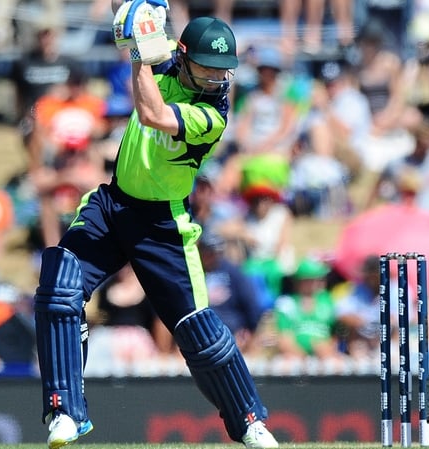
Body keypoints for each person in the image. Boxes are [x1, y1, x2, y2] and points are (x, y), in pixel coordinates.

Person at [34, 12, 279, 449]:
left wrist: (139, 49)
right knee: (59, 288)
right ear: (184, 59)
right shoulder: (164, 63)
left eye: (223, 70)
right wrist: (136, 12)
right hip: (113, 205)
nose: (217, 77)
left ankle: (248, 422)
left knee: (199, 333)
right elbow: (126, 15)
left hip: (163, 224)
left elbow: (151, 114)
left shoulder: (213, 113)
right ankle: (66, 412)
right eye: (207, 67)